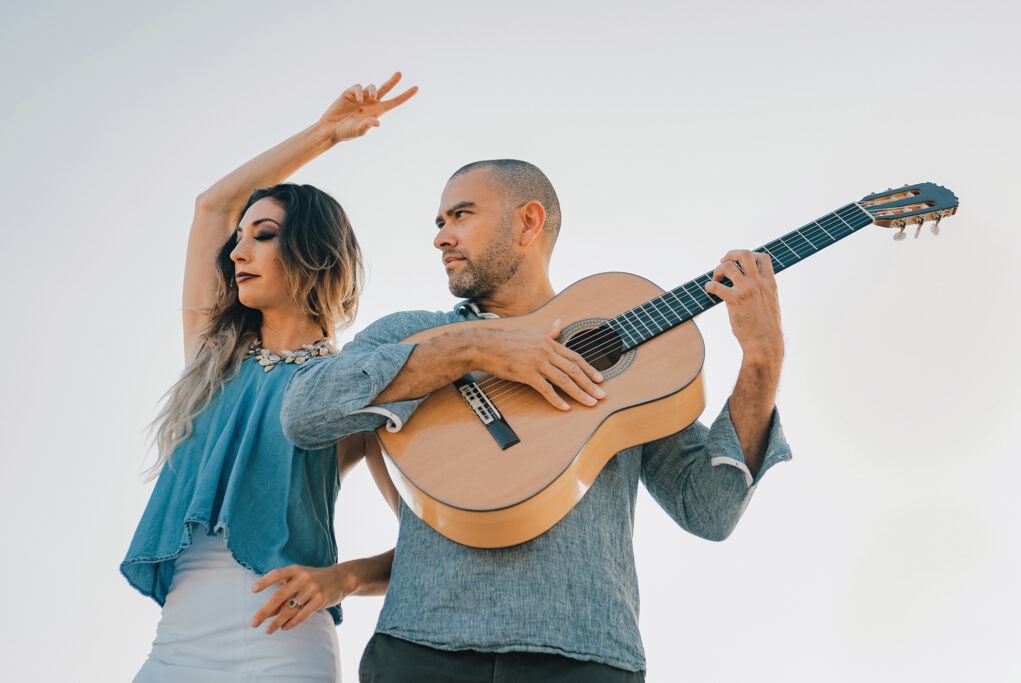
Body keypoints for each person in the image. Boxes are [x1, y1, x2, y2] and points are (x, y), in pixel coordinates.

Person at [281, 159, 793, 682]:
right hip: (420, 646)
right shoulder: (415, 333)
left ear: (528, 222)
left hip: (587, 656)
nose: (442, 238)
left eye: (460, 215)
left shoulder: (641, 364)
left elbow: (708, 508)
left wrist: (762, 357)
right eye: (439, 223)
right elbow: (305, 412)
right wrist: (474, 347)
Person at [120, 73, 416, 681]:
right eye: (240, 240)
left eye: (265, 236)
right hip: (176, 648)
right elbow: (213, 207)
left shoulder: (348, 387)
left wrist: (345, 578)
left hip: (284, 649)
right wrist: (324, 134)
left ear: (311, 251)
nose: (237, 251)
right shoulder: (215, 356)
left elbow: (430, 539)